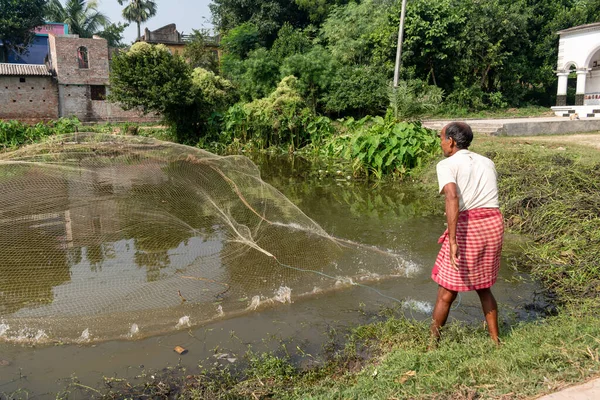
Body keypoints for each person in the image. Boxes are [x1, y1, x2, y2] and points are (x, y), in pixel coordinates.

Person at [430, 122, 504, 345]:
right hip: (493, 224)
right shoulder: (487, 161)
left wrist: (452, 240)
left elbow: (452, 197)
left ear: (451, 141)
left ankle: (432, 344)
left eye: (442, 139)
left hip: (469, 226)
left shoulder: (447, 164)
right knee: (484, 287)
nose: (441, 144)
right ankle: (495, 341)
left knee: (447, 290)